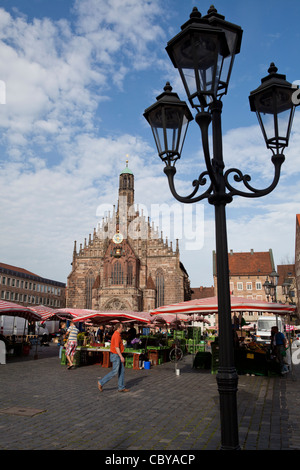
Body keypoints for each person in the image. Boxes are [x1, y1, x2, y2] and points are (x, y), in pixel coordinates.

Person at [97, 323, 130, 393]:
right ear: (118, 328)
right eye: (122, 328)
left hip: (116, 354)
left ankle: (121, 387)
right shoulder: (117, 335)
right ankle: (101, 382)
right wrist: (121, 356)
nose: (122, 329)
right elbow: (116, 347)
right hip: (116, 355)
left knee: (121, 371)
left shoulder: (117, 334)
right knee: (115, 371)